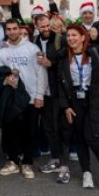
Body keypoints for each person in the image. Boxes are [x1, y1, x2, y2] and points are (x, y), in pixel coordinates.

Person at [54, 24, 99, 190]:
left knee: (91, 137)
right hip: (74, 101)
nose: (71, 38)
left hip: (92, 99)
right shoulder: (63, 57)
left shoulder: (93, 53)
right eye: (68, 36)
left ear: (83, 37)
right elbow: (60, 85)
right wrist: (66, 106)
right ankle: (86, 172)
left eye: (74, 35)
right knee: (80, 137)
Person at [0, 19, 47, 179]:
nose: (12, 32)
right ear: (5, 31)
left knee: (30, 131)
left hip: (30, 97)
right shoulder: (2, 52)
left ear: (19, 29)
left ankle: (27, 163)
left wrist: (39, 95)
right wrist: (5, 80)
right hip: (11, 98)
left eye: (14, 28)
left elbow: (41, 72)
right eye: (9, 29)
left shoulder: (32, 49)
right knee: (10, 131)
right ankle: (12, 161)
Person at [33, 14, 65, 175]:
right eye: (43, 27)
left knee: (60, 127)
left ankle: (62, 161)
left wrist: (50, 63)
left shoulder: (60, 39)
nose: (46, 29)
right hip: (43, 91)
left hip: (58, 91)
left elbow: (65, 60)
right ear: (36, 26)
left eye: (48, 25)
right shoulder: (34, 42)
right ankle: (55, 158)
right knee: (48, 127)